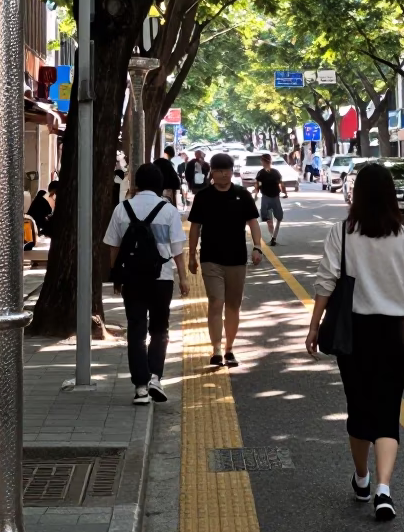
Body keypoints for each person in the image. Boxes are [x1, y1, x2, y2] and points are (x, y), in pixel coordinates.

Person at [305, 163, 404, 522]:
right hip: (394, 333)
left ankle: (362, 480)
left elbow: (326, 282)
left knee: (358, 406)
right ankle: (384, 489)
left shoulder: (343, 233)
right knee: (388, 411)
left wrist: (314, 326)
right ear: (391, 195)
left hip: (354, 334)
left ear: (357, 194)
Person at [104, 162, 188, 406]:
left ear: (136, 183)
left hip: (132, 278)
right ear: (160, 184)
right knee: (160, 330)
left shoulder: (122, 209)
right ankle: (155, 377)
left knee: (136, 329)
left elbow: (113, 246)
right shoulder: (168, 210)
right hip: (161, 278)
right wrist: (183, 277)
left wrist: (116, 275)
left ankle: (140, 387)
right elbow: (177, 250)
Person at [188, 152, 262, 367]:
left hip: (237, 259)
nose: (222, 175)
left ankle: (230, 348)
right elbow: (195, 227)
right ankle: (216, 350)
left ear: (232, 171)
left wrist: (257, 247)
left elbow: (253, 222)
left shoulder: (242, 194)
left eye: (226, 170)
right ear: (212, 172)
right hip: (211, 258)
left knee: (232, 305)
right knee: (215, 301)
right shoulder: (203, 196)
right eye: (218, 171)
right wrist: (192, 254)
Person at [253, 153, 288, 245]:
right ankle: (274, 237)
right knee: (277, 219)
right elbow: (281, 184)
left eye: (262, 160)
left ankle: (273, 237)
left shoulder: (262, 173)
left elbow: (258, 185)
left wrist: (256, 195)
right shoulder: (273, 172)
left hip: (268, 198)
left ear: (264, 161)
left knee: (270, 220)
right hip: (273, 198)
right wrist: (285, 193)